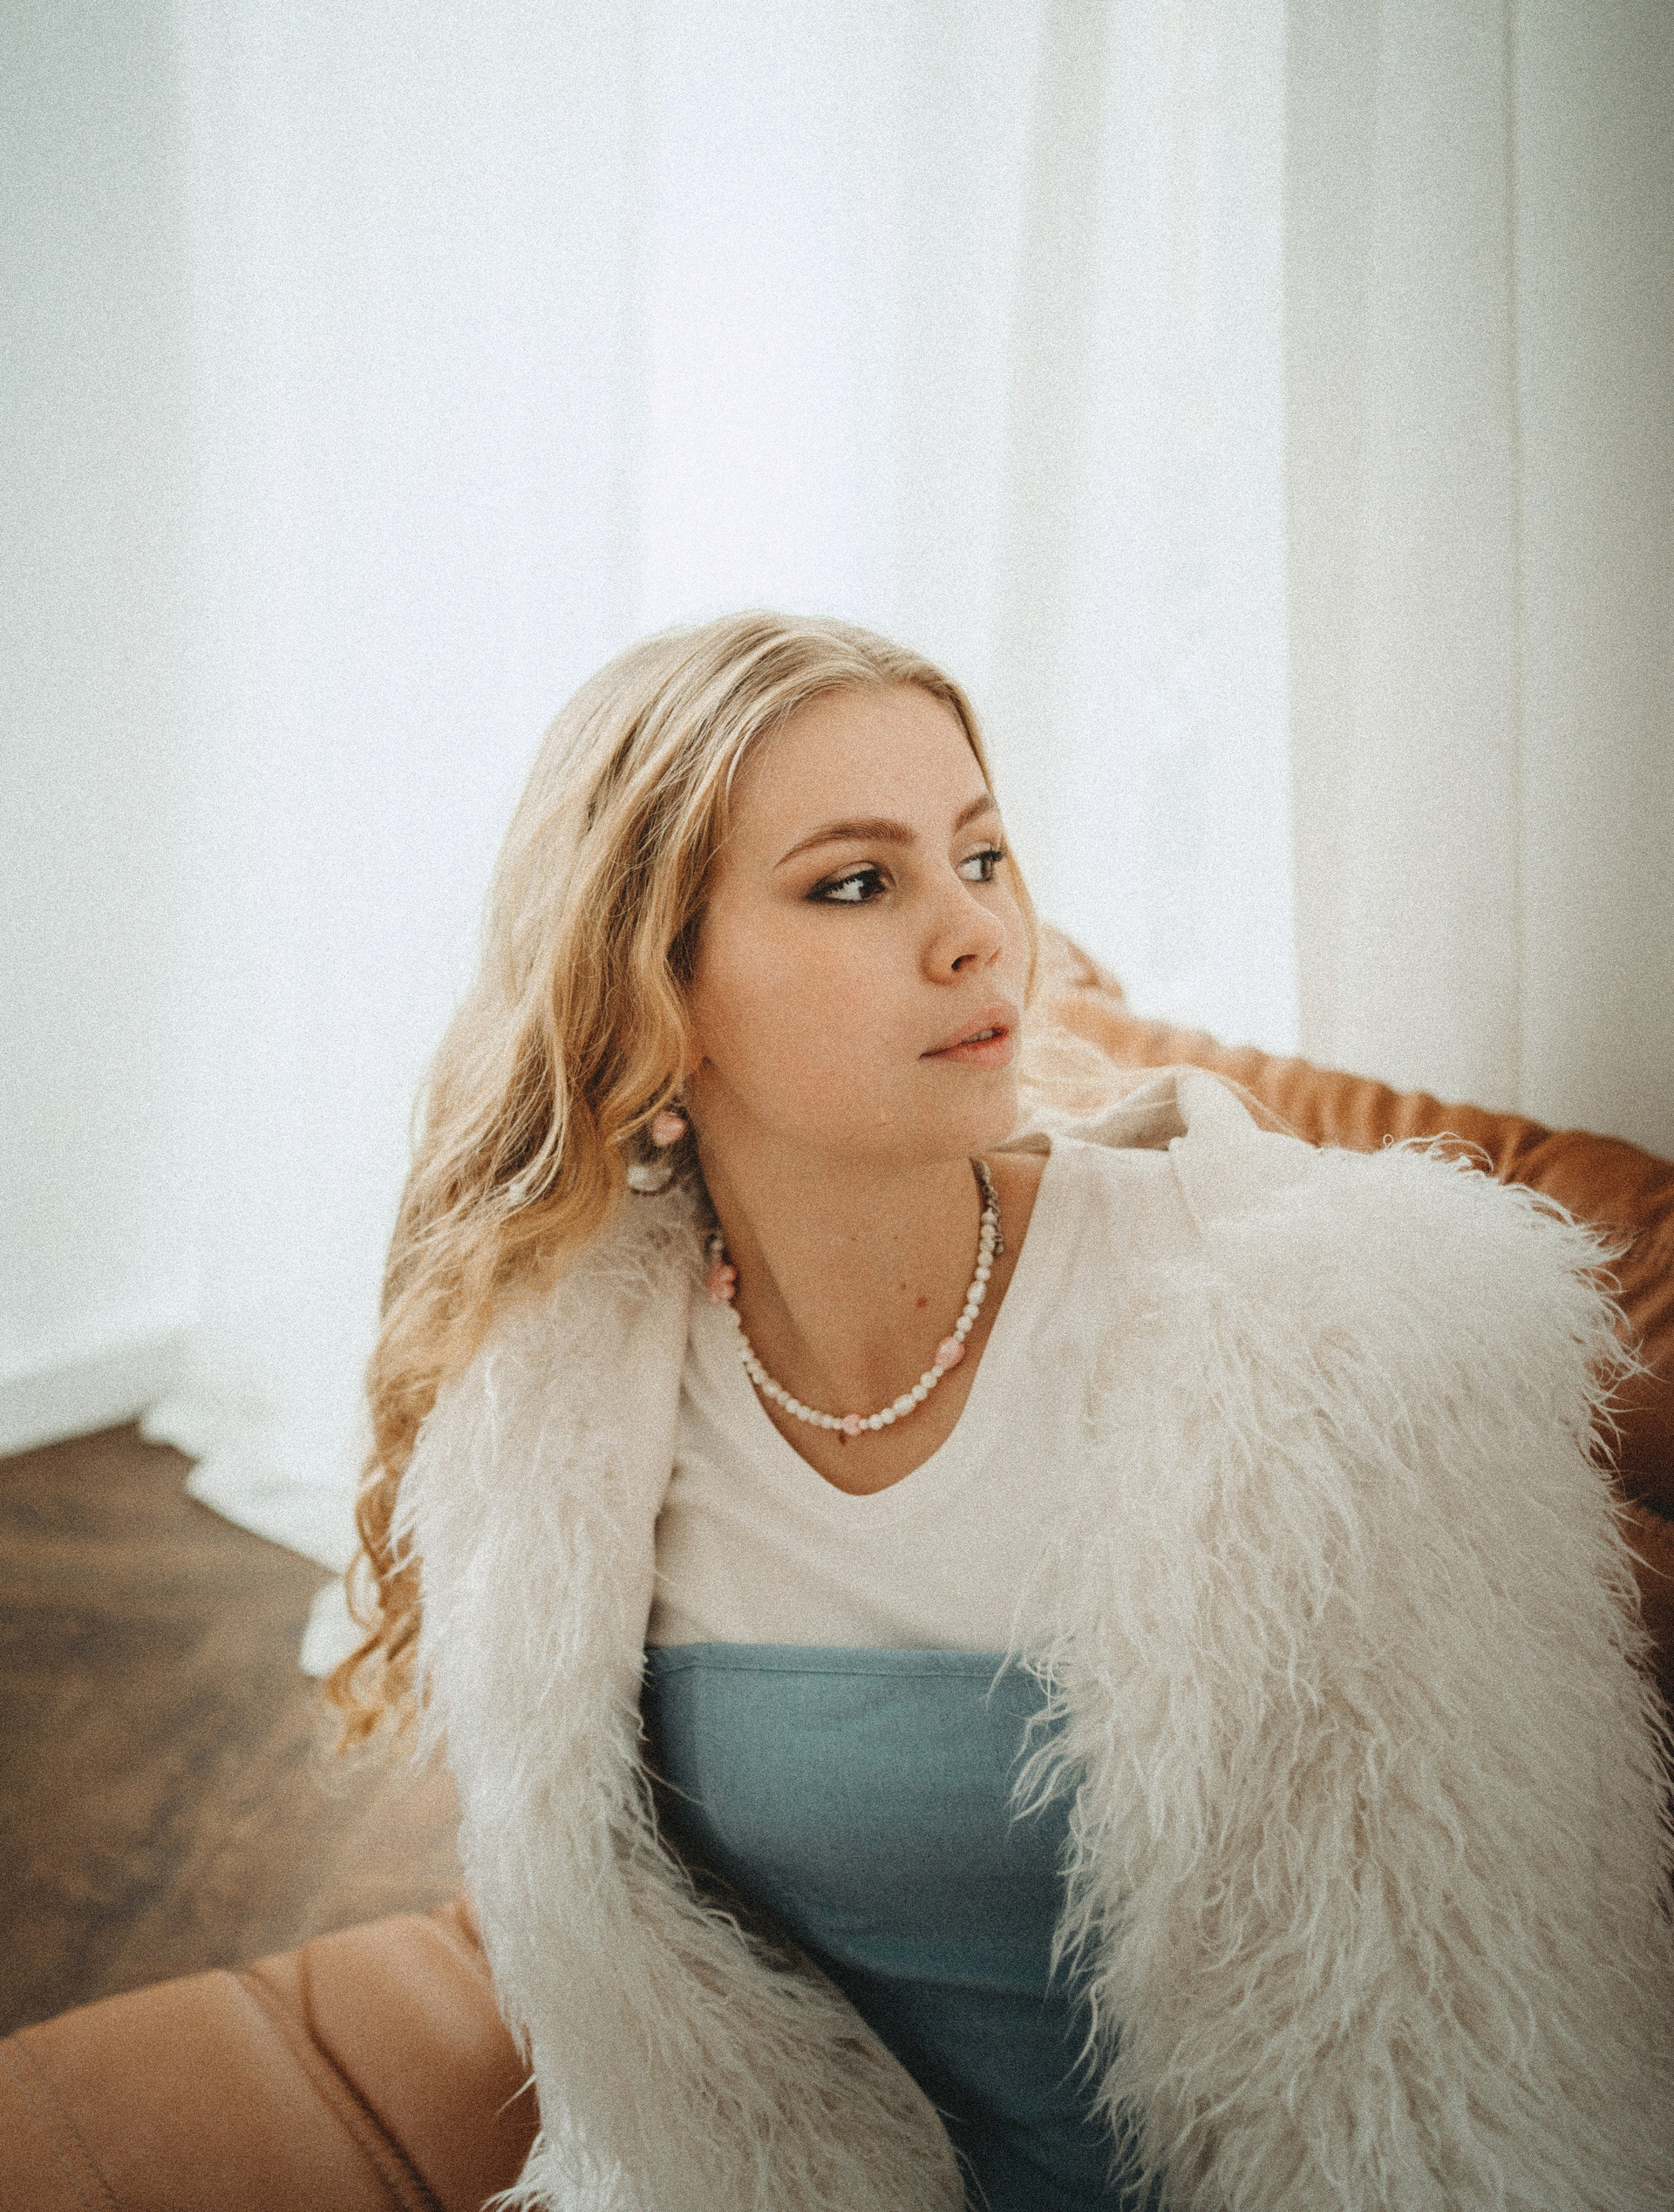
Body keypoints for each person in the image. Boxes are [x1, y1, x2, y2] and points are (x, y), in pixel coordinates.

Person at [331, 610, 1674, 2212]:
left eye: (981, 857)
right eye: (857, 882)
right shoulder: (567, 1401)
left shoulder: (1314, 1351)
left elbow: (1494, 2051)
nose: (978, 934)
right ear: (652, 990)